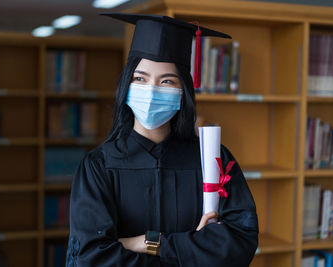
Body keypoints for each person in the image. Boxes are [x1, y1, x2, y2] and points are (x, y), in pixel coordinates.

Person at [66, 13, 258, 267]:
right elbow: (93, 257)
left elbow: (239, 243)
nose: (152, 90)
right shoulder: (99, 166)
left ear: (183, 92)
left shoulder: (212, 159)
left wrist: (149, 242)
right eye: (140, 79)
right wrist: (191, 250)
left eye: (167, 81)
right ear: (127, 86)